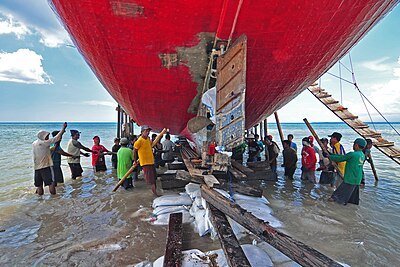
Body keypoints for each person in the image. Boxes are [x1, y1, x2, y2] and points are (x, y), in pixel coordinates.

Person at [328, 138, 366, 205]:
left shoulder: (352, 154)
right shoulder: (362, 155)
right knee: (351, 199)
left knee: (335, 197)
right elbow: (343, 156)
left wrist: (329, 156)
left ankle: (335, 207)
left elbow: (341, 158)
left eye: (354, 144)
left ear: (356, 145)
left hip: (350, 179)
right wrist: (332, 155)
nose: (353, 146)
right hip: (357, 179)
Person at [32, 122, 67, 195]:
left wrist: (52, 148)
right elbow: (57, 138)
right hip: (46, 167)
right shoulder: (45, 143)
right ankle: (54, 199)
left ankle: (39, 201)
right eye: (47, 136)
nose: (48, 137)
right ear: (43, 137)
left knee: (39, 186)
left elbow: (45, 149)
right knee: (51, 183)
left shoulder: (34, 143)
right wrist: (63, 128)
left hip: (37, 168)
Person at [134, 125, 166, 196]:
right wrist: (135, 161)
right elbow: (134, 151)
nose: (148, 132)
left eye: (148, 131)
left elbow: (152, 144)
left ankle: (155, 192)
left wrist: (159, 137)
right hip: (145, 163)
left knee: (154, 178)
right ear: (142, 132)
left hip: (151, 161)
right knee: (151, 180)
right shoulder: (139, 141)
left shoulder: (148, 139)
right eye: (146, 131)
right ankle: (155, 194)